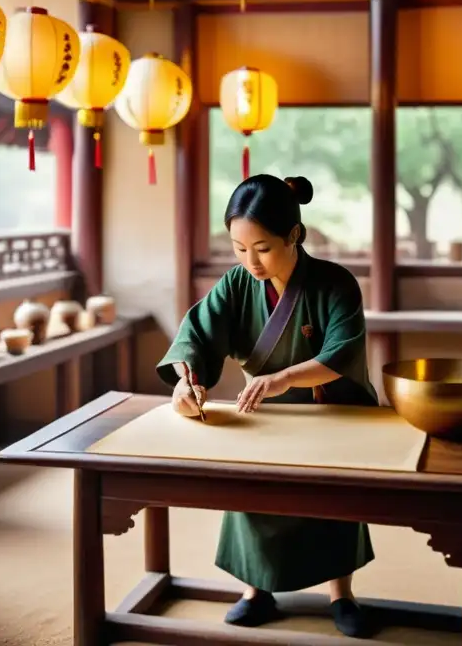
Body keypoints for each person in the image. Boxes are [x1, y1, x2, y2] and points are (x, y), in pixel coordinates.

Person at [156, 174, 378, 639]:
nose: (250, 261)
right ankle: (255, 589)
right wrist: (185, 381)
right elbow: (197, 334)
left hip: (329, 411)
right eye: (238, 248)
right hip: (264, 412)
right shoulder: (237, 284)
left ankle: (342, 593)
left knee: (332, 502)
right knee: (253, 492)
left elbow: (343, 351)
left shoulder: (335, 284)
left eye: (262, 247)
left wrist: (283, 378)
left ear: (294, 235)